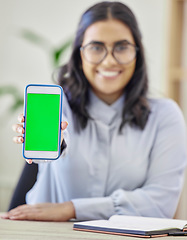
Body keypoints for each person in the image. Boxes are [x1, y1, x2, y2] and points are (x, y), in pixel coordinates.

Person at [2, 1, 187, 222]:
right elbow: (62, 144)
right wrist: (56, 144)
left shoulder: (165, 116)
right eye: (96, 47)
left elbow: (160, 204)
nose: (109, 60)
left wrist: (72, 209)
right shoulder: (60, 109)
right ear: (80, 54)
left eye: (121, 47)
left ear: (137, 52)